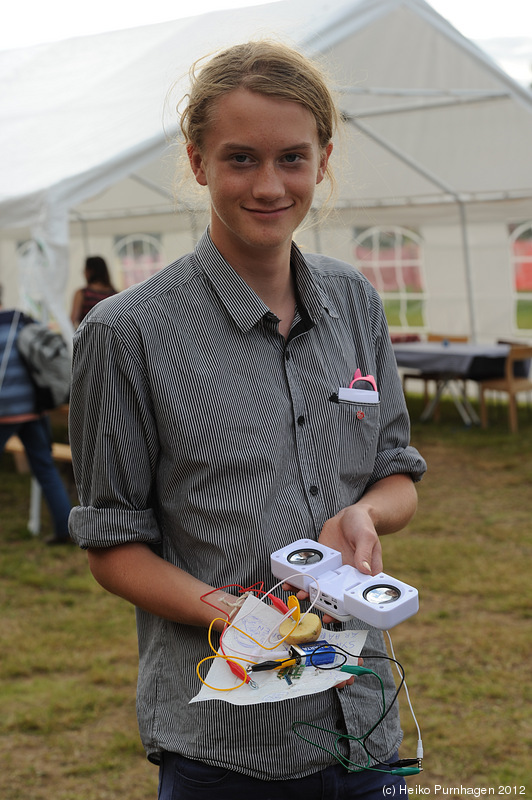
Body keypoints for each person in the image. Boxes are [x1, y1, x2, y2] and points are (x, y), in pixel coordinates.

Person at [68, 41, 427, 799]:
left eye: (293, 158)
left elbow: (398, 470)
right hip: (227, 746)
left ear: (323, 160)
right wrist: (237, 613)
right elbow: (112, 546)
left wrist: (364, 510)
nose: (269, 186)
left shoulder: (354, 300)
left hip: (363, 722)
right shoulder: (126, 333)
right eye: (240, 159)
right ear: (198, 162)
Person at [0, 304, 72, 545]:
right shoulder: (22, 321)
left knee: (44, 466)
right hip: (33, 408)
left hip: (4, 411)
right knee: (45, 468)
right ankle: (65, 527)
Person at [70, 256, 117, 327]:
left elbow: (72, 320)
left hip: (87, 337)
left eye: (85, 270)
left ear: (90, 271)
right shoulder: (115, 295)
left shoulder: (83, 294)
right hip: (110, 337)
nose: (83, 273)